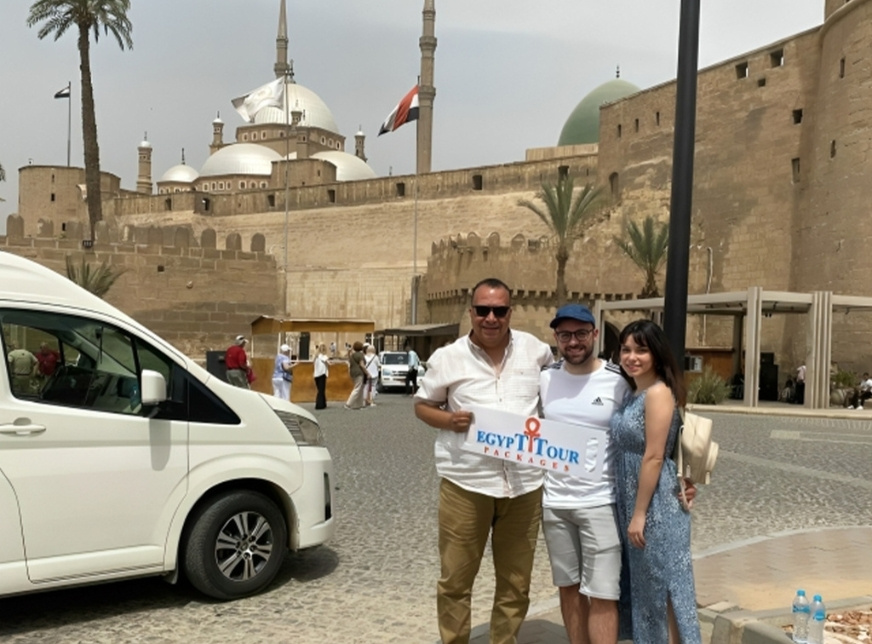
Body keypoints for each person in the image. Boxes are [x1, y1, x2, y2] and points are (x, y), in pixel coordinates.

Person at [414, 277, 553, 644]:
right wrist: (449, 420)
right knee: (456, 580)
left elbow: (554, 397)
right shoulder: (447, 358)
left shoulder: (537, 351)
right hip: (466, 483)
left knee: (516, 583)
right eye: (483, 310)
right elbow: (423, 406)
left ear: (511, 312)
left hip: (524, 486)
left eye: (500, 310)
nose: (491, 318)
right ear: (471, 311)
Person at [539, 304, 630, 644]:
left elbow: (647, 428)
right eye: (565, 335)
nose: (573, 341)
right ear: (556, 338)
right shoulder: (544, 378)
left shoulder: (618, 380)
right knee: (568, 588)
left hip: (601, 502)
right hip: (555, 504)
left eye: (580, 333)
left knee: (604, 594)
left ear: (595, 334)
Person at [609, 319, 702, 644]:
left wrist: (639, 513)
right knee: (647, 586)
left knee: (666, 585)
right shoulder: (634, 392)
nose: (631, 357)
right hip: (637, 499)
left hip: (655, 504)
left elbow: (654, 456)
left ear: (657, 354)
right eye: (626, 349)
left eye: (641, 350)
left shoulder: (658, 393)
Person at [345, 341, 368, 410]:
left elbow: (349, 359)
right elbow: (362, 365)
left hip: (352, 372)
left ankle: (359, 405)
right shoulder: (360, 355)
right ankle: (348, 404)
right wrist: (367, 373)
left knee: (360, 389)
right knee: (357, 388)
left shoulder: (352, 355)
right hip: (359, 373)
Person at [313, 343, 330, 409]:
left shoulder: (316, 356)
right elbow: (328, 363)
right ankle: (320, 404)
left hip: (316, 374)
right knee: (321, 390)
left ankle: (323, 403)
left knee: (320, 389)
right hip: (322, 374)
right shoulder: (323, 356)